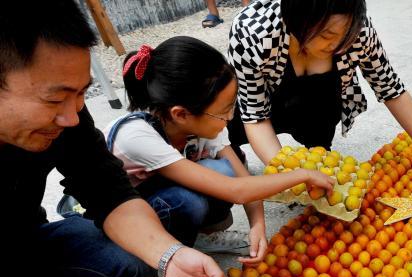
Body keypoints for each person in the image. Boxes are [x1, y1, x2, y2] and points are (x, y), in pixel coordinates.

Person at [0, 0, 235, 277]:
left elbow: (106, 186)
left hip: (18, 242)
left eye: (80, 94)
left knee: (127, 263)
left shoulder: (67, 113)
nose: (71, 117)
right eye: (55, 99)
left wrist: (170, 256)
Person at [107, 37, 334, 259]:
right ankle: (160, 250)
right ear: (181, 114)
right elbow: (237, 191)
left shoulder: (200, 123)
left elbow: (243, 180)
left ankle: (201, 236)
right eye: (224, 111)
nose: (231, 117)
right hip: (127, 214)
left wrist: (257, 227)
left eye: (232, 106)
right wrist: (302, 175)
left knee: (225, 169)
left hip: (163, 189)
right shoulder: (137, 137)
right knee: (188, 201)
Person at [227, 0, 412, 183]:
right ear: (298, 22)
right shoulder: (252, 34)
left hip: (314, 103)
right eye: (327, 36)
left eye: (346, 36)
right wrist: (289, 176)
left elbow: (391, 88)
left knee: (319, 143)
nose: (340, 46)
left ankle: (317, 149)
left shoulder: (357, 31)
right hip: (264, 99)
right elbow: (255, 116)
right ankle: (232, 150)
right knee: (227, 120)